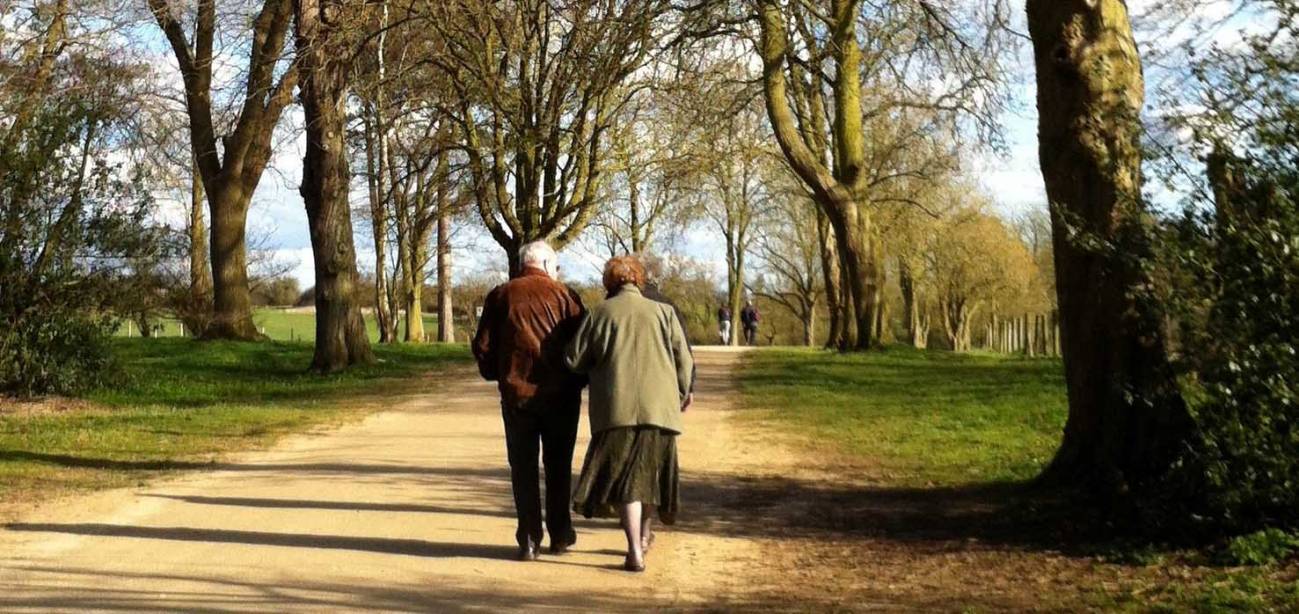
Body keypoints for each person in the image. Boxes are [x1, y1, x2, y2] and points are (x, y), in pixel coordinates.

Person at [565, 256, 694, 573]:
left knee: (625, 483)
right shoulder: (663, 312)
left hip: (615, 411)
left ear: (609, 282)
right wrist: (682, 392)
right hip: (660, 409)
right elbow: (684, 360)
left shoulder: (599, 313)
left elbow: (573, 359)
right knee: (649, 476)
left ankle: (634, 547)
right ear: (639, 280)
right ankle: (646, 535)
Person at [472, 241, 587, 561]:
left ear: (523, 263)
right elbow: (583, 345)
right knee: (559, 466)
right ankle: (561, 534)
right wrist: (578, 380)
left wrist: (501, 375)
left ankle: (529, 539)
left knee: (522, 468)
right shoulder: (567, 296)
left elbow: (483, 346)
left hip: (517, 395)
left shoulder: (501, 295)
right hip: (561, 396)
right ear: (548, 264)